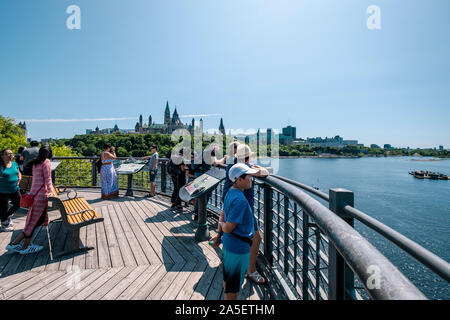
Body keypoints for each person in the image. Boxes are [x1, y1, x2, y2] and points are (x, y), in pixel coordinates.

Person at [210, 143, 269, 285]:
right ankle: (251, 270)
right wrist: (256, 167)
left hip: (228, 198)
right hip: (242, 205)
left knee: (227, 222)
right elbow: (265, 172)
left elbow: (216, 162)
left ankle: (219, 238)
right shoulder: (244, 169)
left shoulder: (232, 164)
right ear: (247, 157)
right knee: (257, 237)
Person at [219, 163, 259, 300]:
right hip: (238, 249)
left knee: (229, 279)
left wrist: (220, 233)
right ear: (239, 179)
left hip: (230, 245)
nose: (251, 179)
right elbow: (229, 227)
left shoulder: (231, 192)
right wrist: (222, 225)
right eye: (249, 176)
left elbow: (223, 212)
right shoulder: (240, 200)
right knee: (233, 290)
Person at [6, 146, 54, 254]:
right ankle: (20, 245)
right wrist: (51, 191)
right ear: (49, 154)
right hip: (41, 196)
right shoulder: (46, 162)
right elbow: (48, 179)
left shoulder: (35, 162)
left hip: (33, 195)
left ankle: (20, 244)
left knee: (35, 220)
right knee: (34, 222)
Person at [0, 149, 22, 232]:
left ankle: (7, 216)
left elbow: (18, 172)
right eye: (8, 153)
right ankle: (4, 224)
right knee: (3, 208)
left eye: (11, 153)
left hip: (14, 189)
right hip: (2, 190)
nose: (11, 155)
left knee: (18, 204)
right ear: (2, 156)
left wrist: (19, 178)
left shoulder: (14, 163)